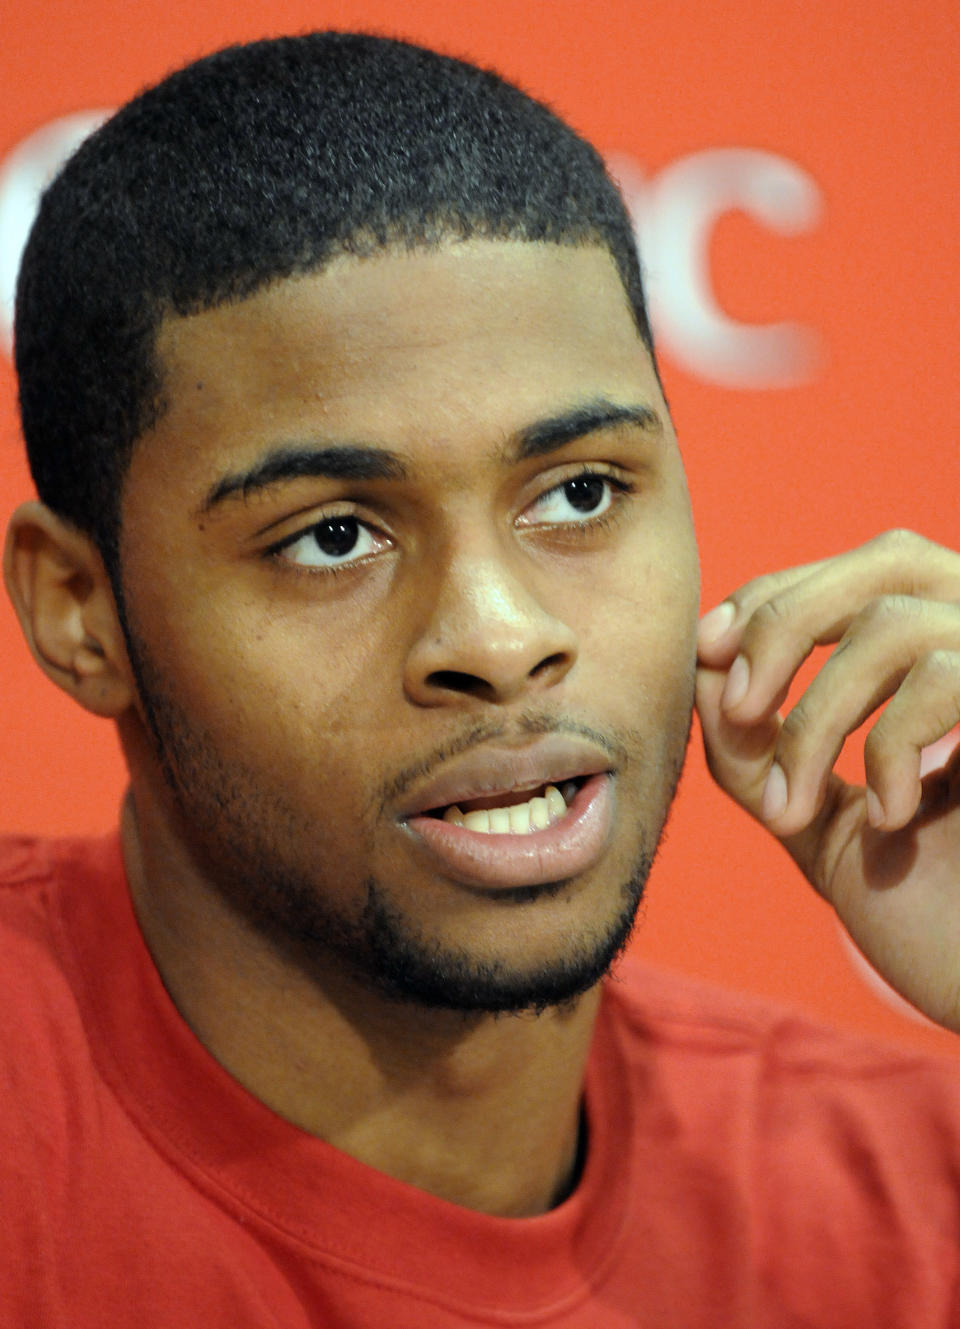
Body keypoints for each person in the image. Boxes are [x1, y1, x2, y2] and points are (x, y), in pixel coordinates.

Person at [2, 31, 959, 1328]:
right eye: (332, 533)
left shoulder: (911, 1194)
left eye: (578, 492)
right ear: (79, 610)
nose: (501, 637)